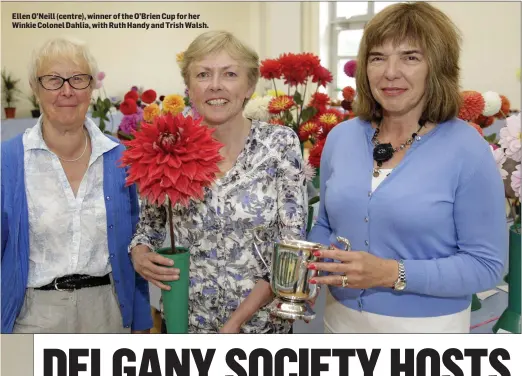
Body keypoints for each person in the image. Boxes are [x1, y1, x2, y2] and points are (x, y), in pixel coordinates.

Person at [308, 2, 506, 333]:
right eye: (377, 57)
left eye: (410, 57)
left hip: (425, 335)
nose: (390, 72)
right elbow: (326, 224)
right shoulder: (342, 138)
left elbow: (486, 265)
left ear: (437, 67)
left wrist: (391, 273)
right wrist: (313, 261)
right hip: (338, 322)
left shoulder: (466, 149)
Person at [130, 31, 307, 333]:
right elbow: (149, 228)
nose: (215, 85)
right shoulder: (167, 142)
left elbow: (291, 248)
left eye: (229, 74)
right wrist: (140, 254)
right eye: (203, 74)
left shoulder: (279, 144)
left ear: (250, 84)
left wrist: (235, 324)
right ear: (188, 86)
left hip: (261, 330)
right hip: (186, 326)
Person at [1, 38, 152, 333]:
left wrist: (142, 322)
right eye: (53, 80)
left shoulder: (122, 158)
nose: (67, 90)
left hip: (109, 313)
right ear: (35, 87)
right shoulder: (7, 161)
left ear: (92, 87)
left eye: (78, 79)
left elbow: (138, 242)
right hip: (33, 317)